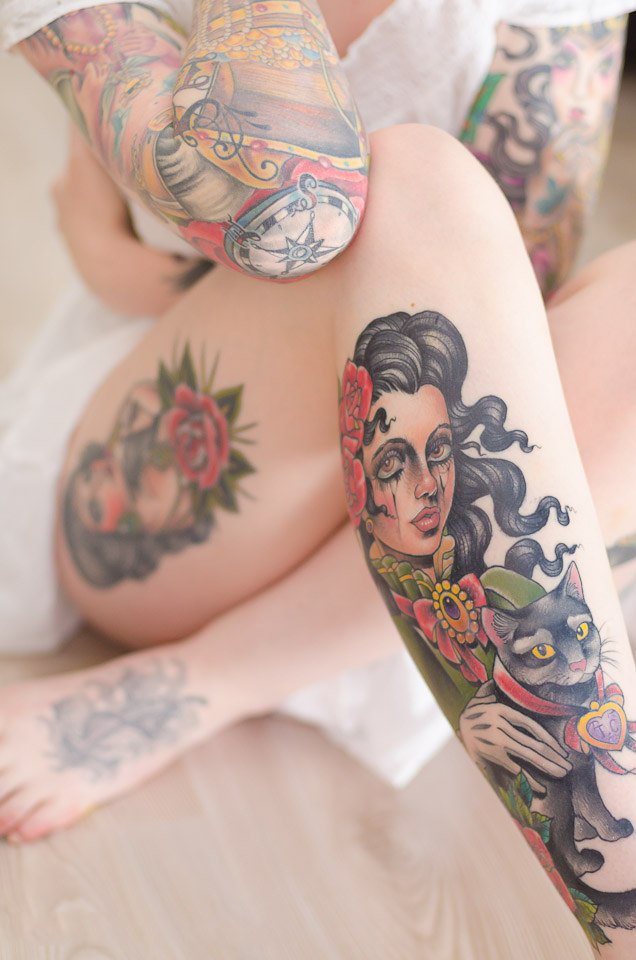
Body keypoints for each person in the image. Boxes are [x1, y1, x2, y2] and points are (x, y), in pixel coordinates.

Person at [1, 2, 636, 945]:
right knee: (413, 183)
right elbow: (275, 211)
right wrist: (364, 276)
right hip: (185, 493)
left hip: (428, 514)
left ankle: (224, 676)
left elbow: (526, 269)